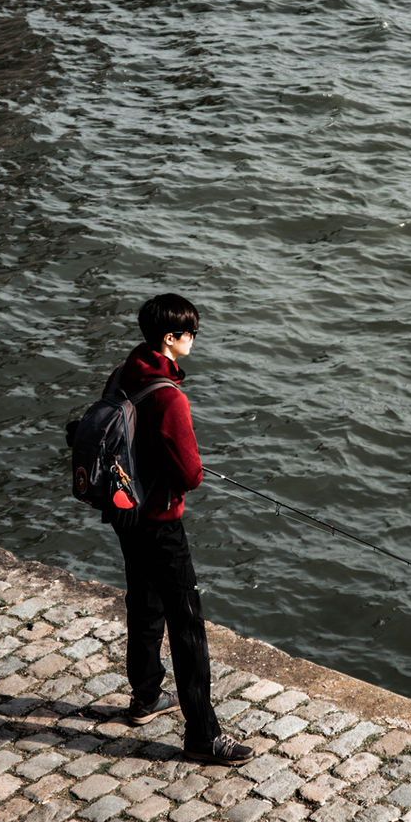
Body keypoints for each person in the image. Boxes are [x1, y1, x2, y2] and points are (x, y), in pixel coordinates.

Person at [106, 293, 253, 766]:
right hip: (162, 523)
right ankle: (203, 734)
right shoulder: (169, 398)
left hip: (126, 514)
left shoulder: (125, 373)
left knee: (143, 603)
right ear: (170, 339)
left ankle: (145, 697)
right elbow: (190, 474)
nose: (194, 339)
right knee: (187, 626)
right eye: (189, 333)